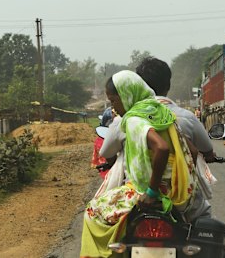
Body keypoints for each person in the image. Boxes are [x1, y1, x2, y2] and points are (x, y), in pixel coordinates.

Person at [80, 70, 198, 258]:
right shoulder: (161, 112)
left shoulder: (134, 119)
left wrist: (151, 191)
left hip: (145, 191)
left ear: (127, 95)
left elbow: (161, 147)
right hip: (176, 191)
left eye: (114, 101)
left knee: (92, 212)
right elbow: (192, 151)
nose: (114, 107)